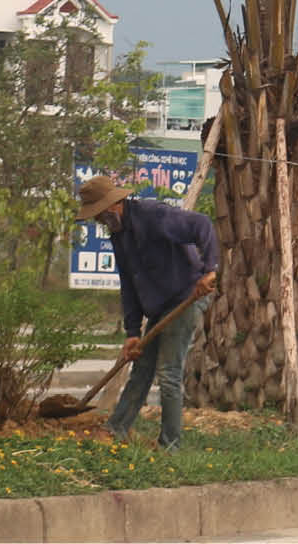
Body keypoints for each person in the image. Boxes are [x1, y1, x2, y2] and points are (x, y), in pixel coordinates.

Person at [78, 173, 219, 450]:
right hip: (159, 304)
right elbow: (129, 285)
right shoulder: (119, 236)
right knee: (141, 369)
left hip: (186, 296)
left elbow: (202, 225)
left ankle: (170, 445)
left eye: (99, 215)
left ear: (112, 207)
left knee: (168, 372)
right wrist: (132, 332)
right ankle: (116, 429)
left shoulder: (154, 216)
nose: (98, 221)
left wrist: (209, 271)